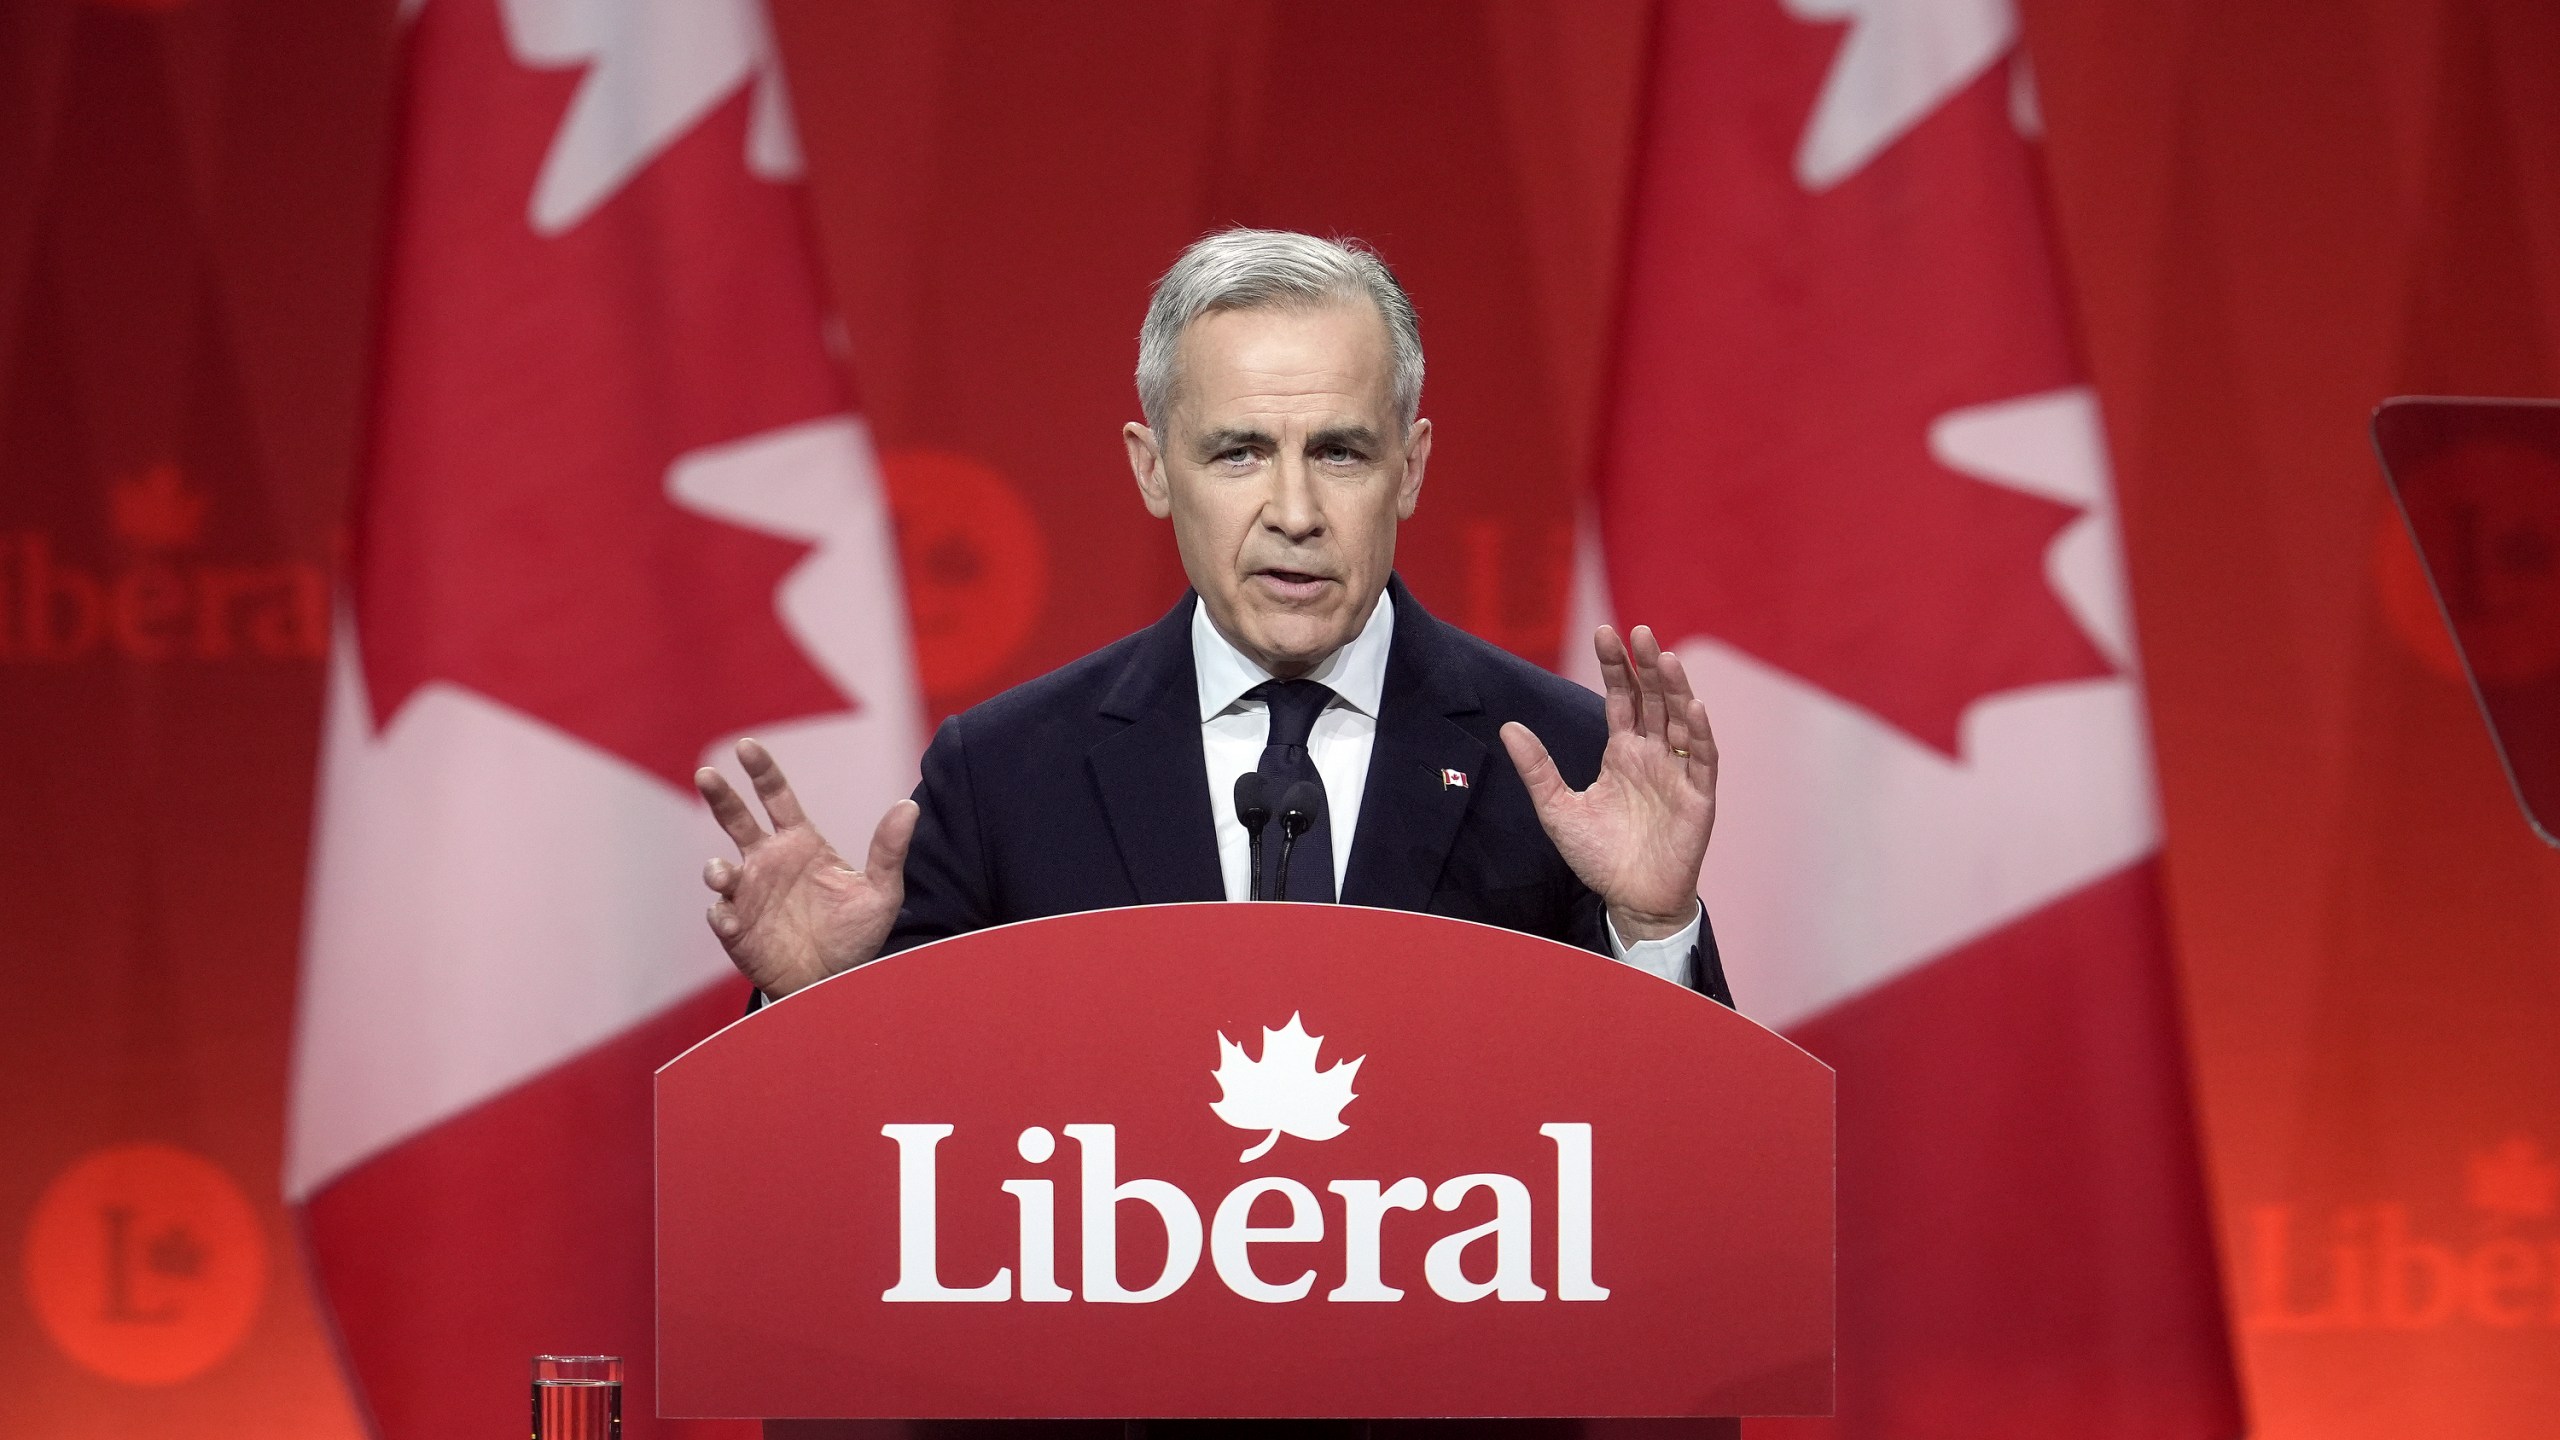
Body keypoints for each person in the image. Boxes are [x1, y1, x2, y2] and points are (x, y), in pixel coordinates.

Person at [696, 228, 1730, 1007]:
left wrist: (1651, 928)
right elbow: (907, 1152)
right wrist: (812, 1003)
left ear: (1408, 469)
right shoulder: (1008, 773)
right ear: (1153, 471)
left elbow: (1666, 1166)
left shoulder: (1561, 758)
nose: (1292, 513)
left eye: (1339, 452)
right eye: (1238, 452)